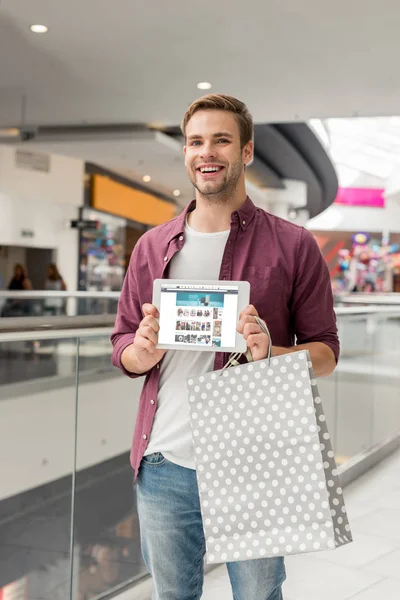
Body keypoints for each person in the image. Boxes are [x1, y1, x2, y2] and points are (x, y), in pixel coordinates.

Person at [111, 94, 339, 600]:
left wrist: (271, 353)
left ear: (247, 152)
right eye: (195, 141)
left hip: (253, 460)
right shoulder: (152, 246)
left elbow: (325, 352)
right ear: (187, 152)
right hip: (164, 462)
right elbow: (122, 341)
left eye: (221, 140)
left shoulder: (294, 244)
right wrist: (140, 352)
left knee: (258, 595)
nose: (206, 152)